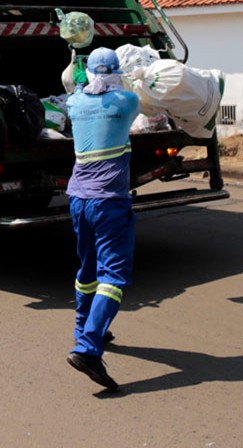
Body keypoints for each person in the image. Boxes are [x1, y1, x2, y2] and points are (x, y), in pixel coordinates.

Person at [65, 47, 141, 391]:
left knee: (87, 270)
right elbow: (142, 96)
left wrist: (75, 62)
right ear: (115, 73)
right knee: (114, 275)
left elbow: (72, 83)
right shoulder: (126, 102)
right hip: (110, 202)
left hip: (78, 199)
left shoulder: (75, 104)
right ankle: (88, 347)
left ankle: (84, 330)